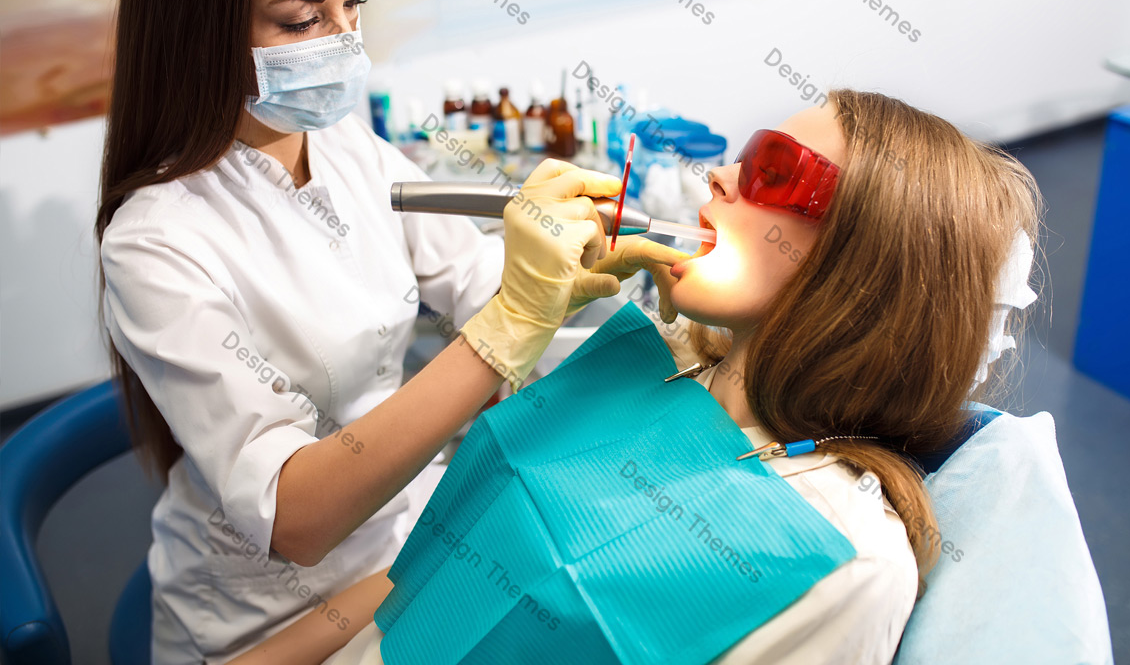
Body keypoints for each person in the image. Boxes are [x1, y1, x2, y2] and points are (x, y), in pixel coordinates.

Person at [95, 0, 684, 662]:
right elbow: (291, 517)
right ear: (202, 28)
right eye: (303, 20)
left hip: (403, 539)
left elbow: (478, 283)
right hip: (269, 615)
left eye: (352, 7)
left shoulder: (341, 144)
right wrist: (507, 328)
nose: (343, 43)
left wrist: (654, 341)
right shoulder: (156, 242)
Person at [246, 89, 1041, 664]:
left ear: (869, 265)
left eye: (773, 169)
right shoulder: (649, 363)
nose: (721, 176)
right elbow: (432, 568)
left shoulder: (844, 560)